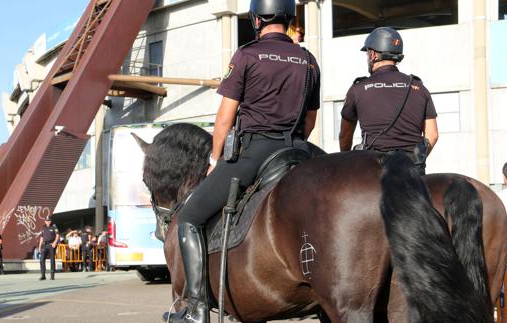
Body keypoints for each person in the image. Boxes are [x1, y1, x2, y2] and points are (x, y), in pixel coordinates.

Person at [168, 0, 320, 322]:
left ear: (256, 18)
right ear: (289, 17)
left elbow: (225, 117)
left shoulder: (247, 55)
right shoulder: (307, 60)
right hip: (299, 150)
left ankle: (196, 307)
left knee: (190, 217)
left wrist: (214, 158)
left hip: (255, 152)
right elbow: (310, 118)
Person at [338, 26, 439, 175]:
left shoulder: (358, 89)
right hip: (411, 169)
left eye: (367, 54)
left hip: (373, 170)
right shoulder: (418, 88)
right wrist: (416, 161)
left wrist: (346, 162)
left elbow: (345, 135)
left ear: (372, 55)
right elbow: (433, 134)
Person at [38, 215, 59, 280]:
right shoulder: (43, 227)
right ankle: (43, 275)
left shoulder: (54, 227)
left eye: (49, 220)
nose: (48, 222)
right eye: (46, 221)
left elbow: (57, 235)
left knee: (52, 260)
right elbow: (41, 237)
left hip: (51, 245)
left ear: (51, 221)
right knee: (42, 259)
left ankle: (52, 275)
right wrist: (39, 246)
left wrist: (55, 243)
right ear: (45, 221)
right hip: (44, 245)